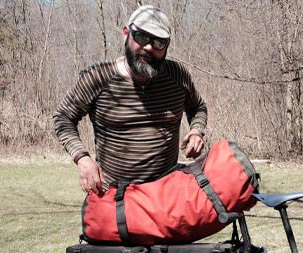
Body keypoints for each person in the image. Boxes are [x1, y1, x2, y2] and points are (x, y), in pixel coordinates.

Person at [54, 5, 207, 194]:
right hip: (115, 197)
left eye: (159, 42)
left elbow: (198, 106)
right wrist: (82, 158)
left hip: (166, 197)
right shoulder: (98, 77)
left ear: (167, 44)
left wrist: (196, 131)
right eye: (141, 37)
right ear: (126, 34)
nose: (149, 47)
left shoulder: (177, 75)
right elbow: (63, 117)